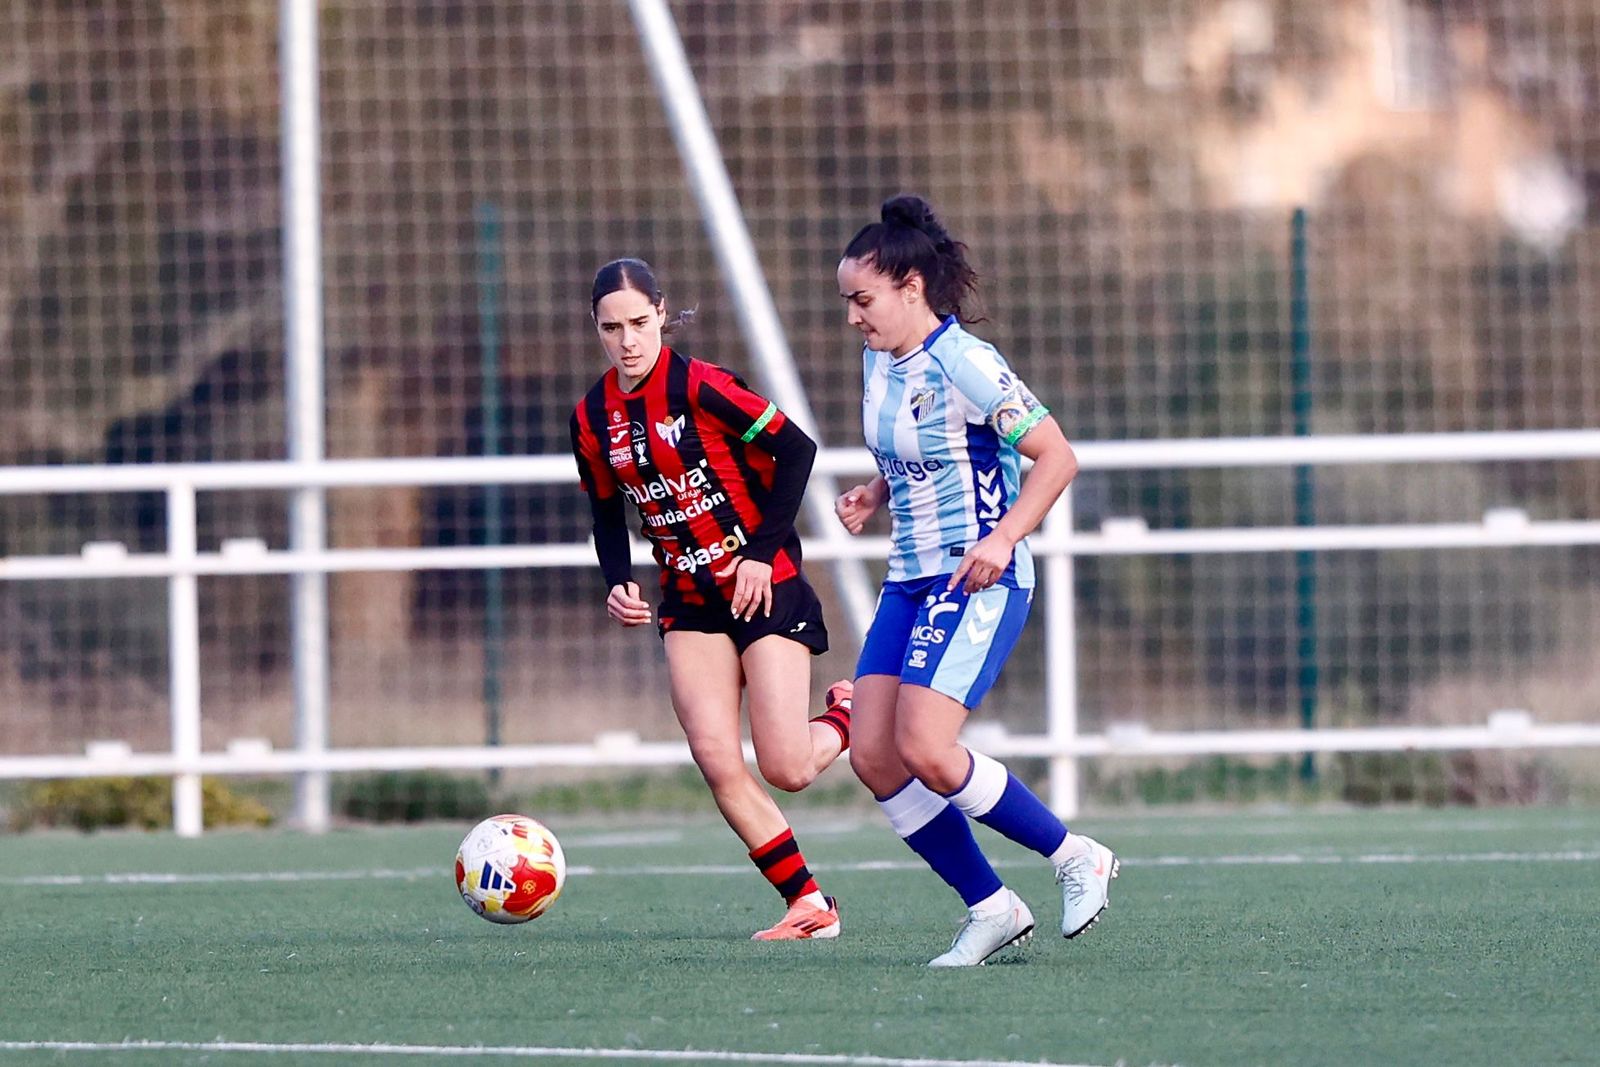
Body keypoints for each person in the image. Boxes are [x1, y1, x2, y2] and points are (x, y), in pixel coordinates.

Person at [832, 195, 1119, 967]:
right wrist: (876, 490)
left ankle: (1075, 856)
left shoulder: (967, 362)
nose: (853, 317)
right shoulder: (878, 358)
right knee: (874, 756)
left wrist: (1002, 536)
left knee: (925, 746)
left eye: (863, 300)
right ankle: (992, 907)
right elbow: (926, 445)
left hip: (975, 576)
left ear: (911, 288)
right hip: (909, 578)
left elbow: (1057, 456)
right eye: (847, 301)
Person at [569, 257, 854, 942]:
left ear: (662, 313)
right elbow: (606, 510)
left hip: (762, 585)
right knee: (717, 759)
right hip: (689, 600)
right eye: (612, 328)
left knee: (787, 767)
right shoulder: (591, 417)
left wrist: (759, 552)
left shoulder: (701, 386)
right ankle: (808, 903)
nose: (627, 341)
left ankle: (851, 712)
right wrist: (616, 579)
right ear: (596, 328)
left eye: (639, 323)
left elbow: (797, 451)